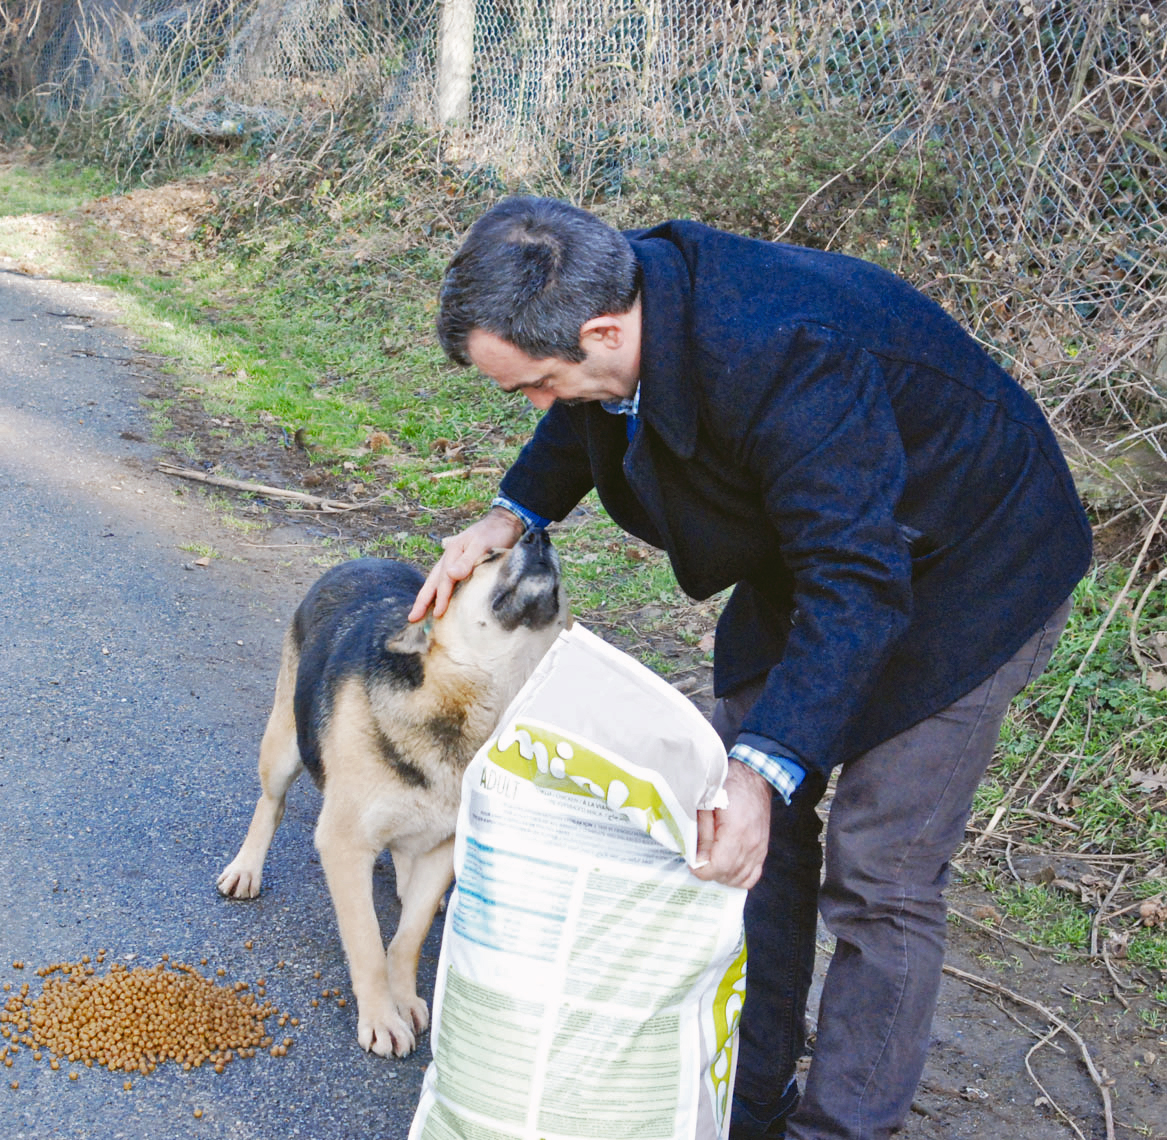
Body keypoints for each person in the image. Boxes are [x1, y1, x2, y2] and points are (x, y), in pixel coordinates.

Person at [408, 196, 1093, 1140]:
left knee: (881, 868)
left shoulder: (781, 352)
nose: (536, 403)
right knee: (726, 822)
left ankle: (844, 1127)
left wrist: (764, 765)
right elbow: (583, 410)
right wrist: (513, 512)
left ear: (603, 329)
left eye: (534, 382)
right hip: (822, 541)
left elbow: (857, 584)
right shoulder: (619, 301)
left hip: (972, 564)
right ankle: (751, 1086)